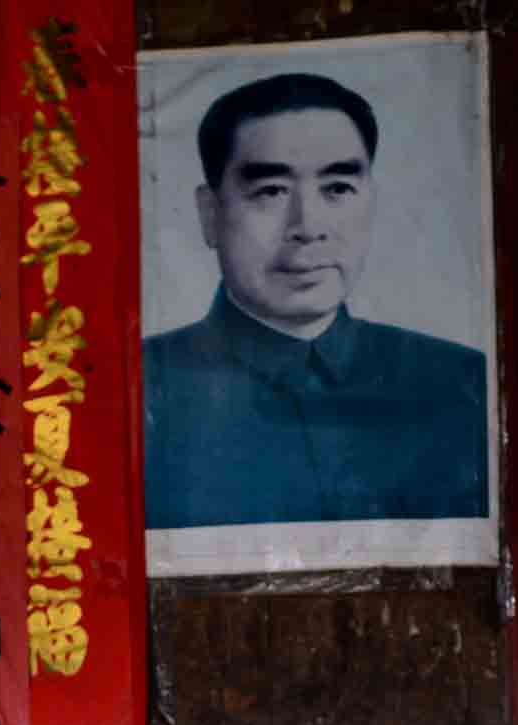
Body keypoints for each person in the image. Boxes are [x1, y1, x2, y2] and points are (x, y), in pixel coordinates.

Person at [143, 70, 491, 530]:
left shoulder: (463, 385)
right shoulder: (138, 389)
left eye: (338, 188)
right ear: (210, 214)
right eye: (271, 191)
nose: (308, 227)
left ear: (370, 200)